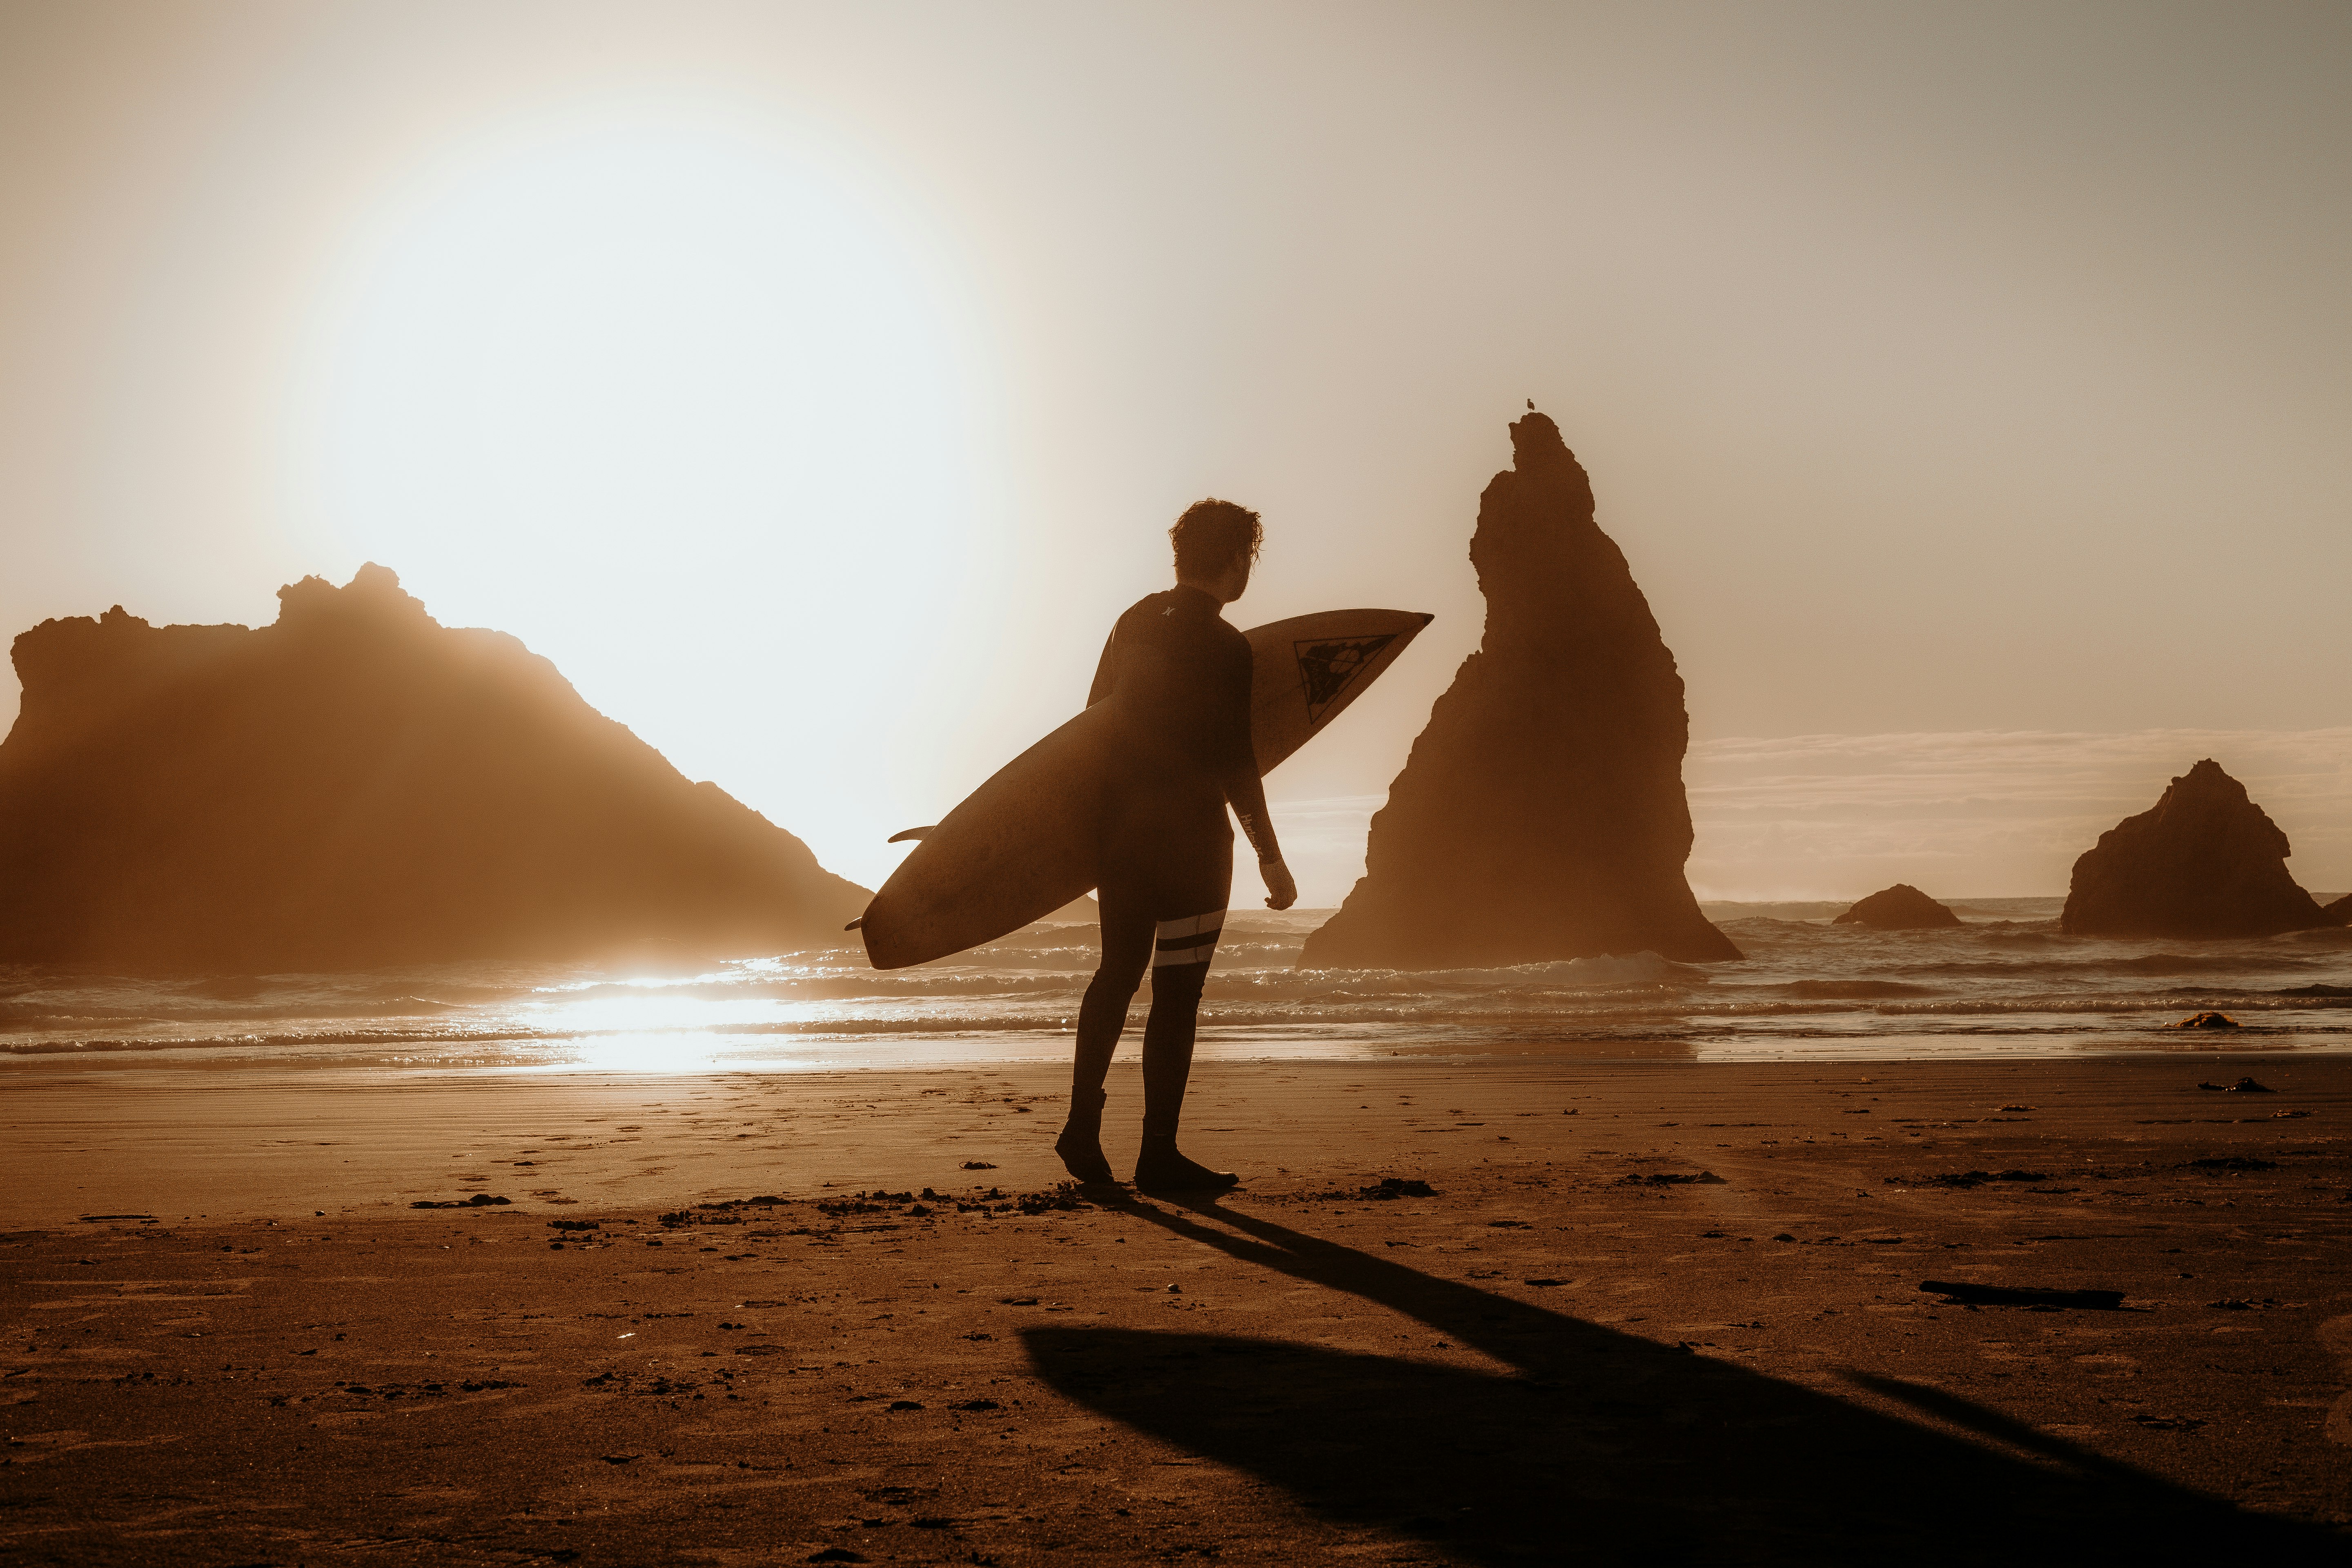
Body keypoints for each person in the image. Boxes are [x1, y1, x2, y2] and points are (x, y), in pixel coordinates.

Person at [1054, 498, 1297, 1192]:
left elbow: (1092, 726)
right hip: (1190, 843)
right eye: (1247, 557)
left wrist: (1079, 835)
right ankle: (1158, 1154)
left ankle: (1081, 1123)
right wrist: (1270, 857)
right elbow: (1235, 760)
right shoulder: (1226, 647)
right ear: (1232, 562)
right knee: (1177, 993)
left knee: (1116, 975)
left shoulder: (1132, 621)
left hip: (1122, 836)